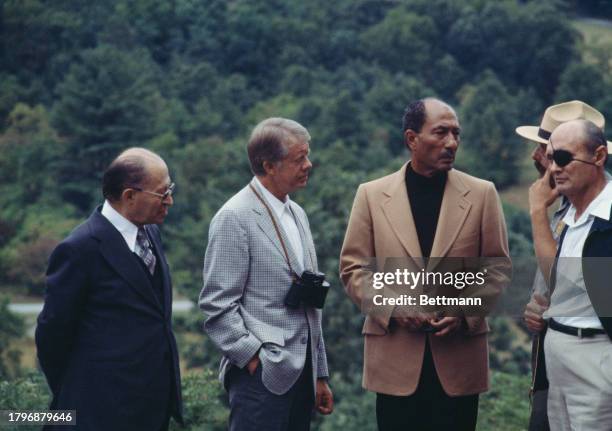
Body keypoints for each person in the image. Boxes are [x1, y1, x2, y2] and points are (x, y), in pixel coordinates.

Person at [340, 98, 510, 430]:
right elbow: (353, 269)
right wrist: (395, 306)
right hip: (395, 362)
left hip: (459, 362)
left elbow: (498, 267)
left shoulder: (482, 193)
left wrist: (464, 310)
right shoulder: (371, 195)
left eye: (456, 134)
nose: (452, 143)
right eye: (441, 132)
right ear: (411, 139)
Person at [199, 117, 333, 431]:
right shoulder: (233, 216)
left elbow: (310, 300)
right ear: (268, 165)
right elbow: (216, 306)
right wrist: (254, 359)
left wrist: (320, 374)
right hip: (260, 379)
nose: (309, 165)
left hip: (303, 377)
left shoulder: (297, 212)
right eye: (299, 159)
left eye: (307, 155)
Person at [35, 148, 182, 431]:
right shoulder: (79, 249)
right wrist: (81, 392)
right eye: (163, 193)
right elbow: (52, 335)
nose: (170, 201)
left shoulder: (150, 232)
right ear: (129, 196)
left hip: (150, 407)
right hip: (99, 410)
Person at [517, 100, 611, 431]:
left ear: (597, 156)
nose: (540, 159)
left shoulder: (599, 215)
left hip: (593, 357)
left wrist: (535, 212)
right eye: (548, 151)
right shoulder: (568, 213)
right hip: (556, 362)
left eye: (558, 154)